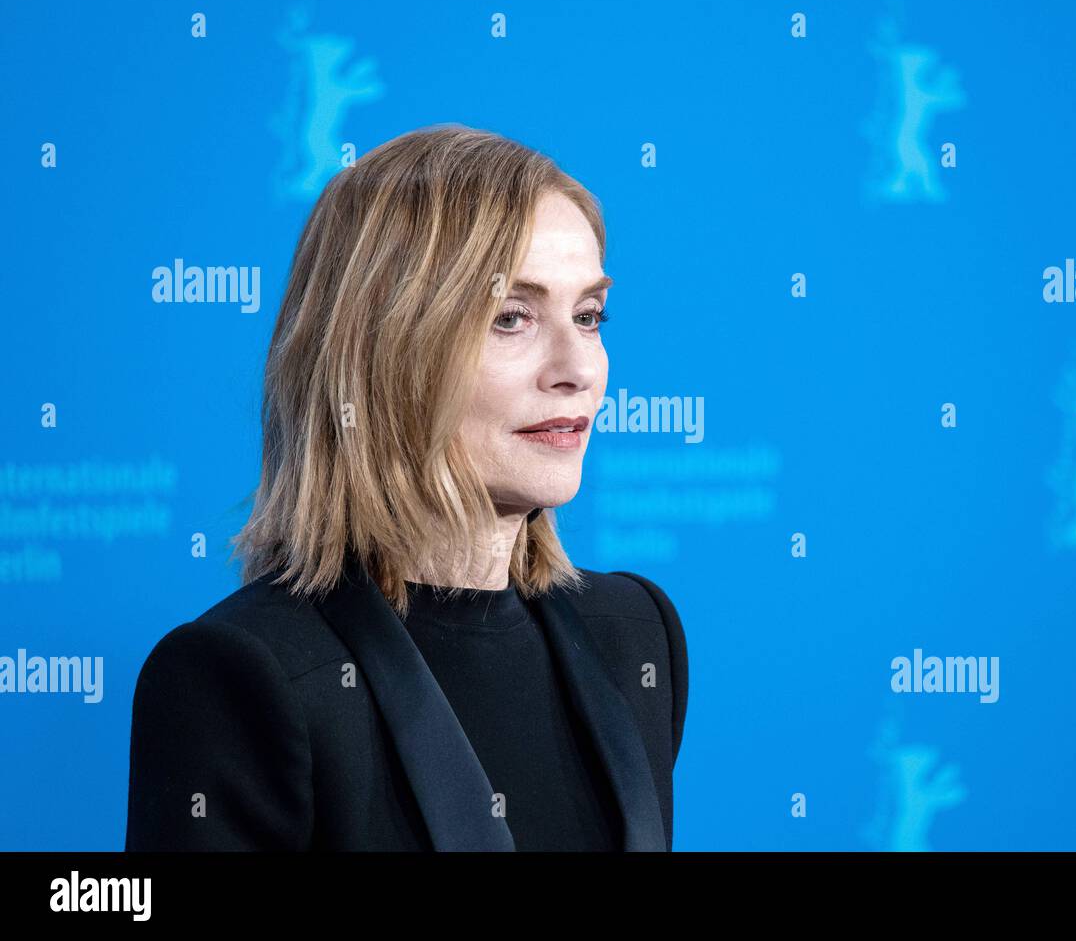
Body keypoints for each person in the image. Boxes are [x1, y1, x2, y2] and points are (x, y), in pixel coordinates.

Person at [124, 125, 687, 851]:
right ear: (386, 351)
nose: (576, 367)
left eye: (588, 316)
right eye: (511, 318)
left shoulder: (636, 634)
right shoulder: (244, 677)